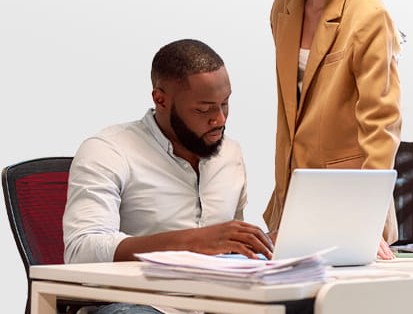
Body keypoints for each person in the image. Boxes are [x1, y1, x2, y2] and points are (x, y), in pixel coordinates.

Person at [63, 39, 274, 314]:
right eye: (203, 109)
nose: (220, 119)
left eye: (225, 104)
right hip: (143, 304)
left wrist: (267, 245)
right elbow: (81, 251)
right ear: (160, 99)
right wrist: (192, 242)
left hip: (220, 303)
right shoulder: (109, 150)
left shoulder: (230, 154)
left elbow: (228, 250)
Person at [263, 0, 403, 260]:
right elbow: (291, 108)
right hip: (293, 193)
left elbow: (381, 123)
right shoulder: (284, 5)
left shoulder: (368, 12)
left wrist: (366, 220)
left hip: (349, 201)